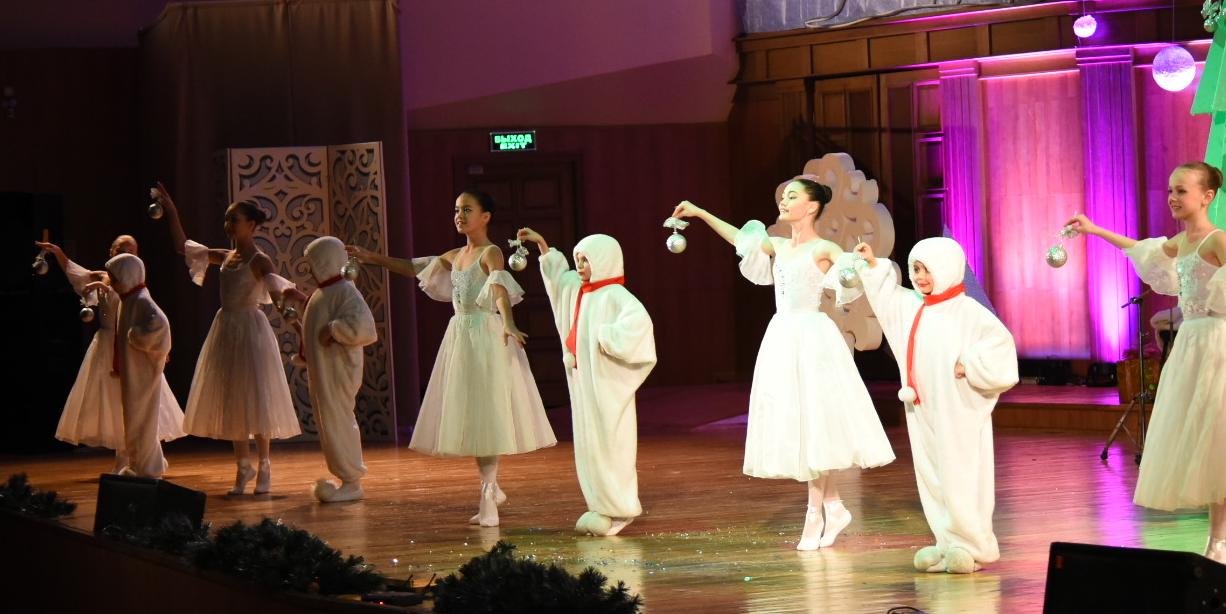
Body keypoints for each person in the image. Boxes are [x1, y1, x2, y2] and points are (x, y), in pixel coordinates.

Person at [1066, 162, 1226, 571]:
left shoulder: (1217, 238)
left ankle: (1223, 545)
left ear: (1206, 197)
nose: (1173, 198)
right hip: (1193, 342)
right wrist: (1095, 229)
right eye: (1171, 190)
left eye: (1182, 191)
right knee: (1215, 446)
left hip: (1220, 342)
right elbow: (1141, 248)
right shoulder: (1182, 240)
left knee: (1221, 442)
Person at [672, 179, 894, 550]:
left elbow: (851, 271)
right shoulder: (776, 245)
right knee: (801, 424)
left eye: (793, 196)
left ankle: (814, 514)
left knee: (814, 423)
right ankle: (834, 506)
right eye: (784, 196)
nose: (784, 201)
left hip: (812, 339)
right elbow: (739, 238)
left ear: (811, 206)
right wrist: (699, 212)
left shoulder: (823, 248)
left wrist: (863, 260)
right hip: (782, 337)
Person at [348, 190, 555, 527]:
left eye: (467, 210)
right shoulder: (456, 255)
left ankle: (487, 495)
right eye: (457, 209)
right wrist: (373, 258)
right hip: (461, 336)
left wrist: (508, 322)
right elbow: (413, 266)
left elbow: (499, 289)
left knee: (488, 415)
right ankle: (492, 488)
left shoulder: (491, 252)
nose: (459, 215)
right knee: (473, 415)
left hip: (486, 336)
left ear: (485, 216)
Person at [854, 236, 1019, 574]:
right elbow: (887, 297)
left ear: (945, 268)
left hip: (957, 409)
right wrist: (872, 265)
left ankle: (972, 546)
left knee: (960, 474)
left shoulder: (968, 311)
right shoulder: (915, 306)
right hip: (922, 408)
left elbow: (1001, 346)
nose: (919, 277)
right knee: (931, 474)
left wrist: (970, 363)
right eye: (915, 269)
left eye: (926, 270)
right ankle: (946, 543)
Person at [155, 183, 301, 495]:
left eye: (234, 219)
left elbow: (279, 300)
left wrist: (300, 329)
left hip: (251, 330)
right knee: (233, 397)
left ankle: (264, 464)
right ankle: (243, 464)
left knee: (256, 395)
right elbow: (182, 247)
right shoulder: (224, 257)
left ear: (251, 225)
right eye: (226, 219)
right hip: (226, 328)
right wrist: (172, 211)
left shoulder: (260, 261)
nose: (228, 224)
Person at [518, 228, 655, 536]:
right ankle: (599, 504)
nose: (579, 265)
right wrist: (543, 246)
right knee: (589, 443)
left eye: (586, 260)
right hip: (583, 382)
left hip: (606, 382)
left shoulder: (616, 295)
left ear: (603, 260)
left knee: (611, 443)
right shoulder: (578, 289)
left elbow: (640, 328)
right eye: (577, 259)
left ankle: (620, 507)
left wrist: (607, 337)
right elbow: (558, 281)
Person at [35, 236, 184, 473]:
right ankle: (130, 458)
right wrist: (58, 253)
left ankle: (141, 459)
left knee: (138, 406)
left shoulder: (133, 286)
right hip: (109, 345)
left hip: (129, 348)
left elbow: (155, 322)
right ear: (112, 251)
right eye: (122, 250)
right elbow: (76, 273)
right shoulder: (107, 277)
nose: (127, 254)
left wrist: (155, 346)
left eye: (132, 251)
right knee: (116, 404)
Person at [280, 235, 378, 504]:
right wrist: (300, 300)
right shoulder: (325, 292)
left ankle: (351, 479)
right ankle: (346, 477)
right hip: (326, 371)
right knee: (330, 422)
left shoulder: (345, 291)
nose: (311, 269)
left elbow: (365, 328)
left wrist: (334, 330)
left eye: (314, 263)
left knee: (338, 421)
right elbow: (321, 312)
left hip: (338, 371)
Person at [104, 253, 172, 479]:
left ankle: (146, 468)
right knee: (135, 420)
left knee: (142, 420)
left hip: (142, 372)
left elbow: (161, 326)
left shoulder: (141, 300)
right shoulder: (128, 300)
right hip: (133, 370)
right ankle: (142, 464)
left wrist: (137, 337)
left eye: (115, 279)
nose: (112, 284)